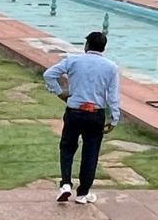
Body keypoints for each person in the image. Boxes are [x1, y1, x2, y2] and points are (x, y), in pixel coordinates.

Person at [42, 31, 121, 205]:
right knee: (90, 153)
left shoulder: (74, 61)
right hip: (95, 114)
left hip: (74, 111)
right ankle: (83, 193)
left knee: (67, 148)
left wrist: (60, 93)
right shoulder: (111, 67)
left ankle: (65, 184)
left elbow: (49, 74)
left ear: (86, 46)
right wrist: (114, 118)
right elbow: (113, 96)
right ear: (103, 47)